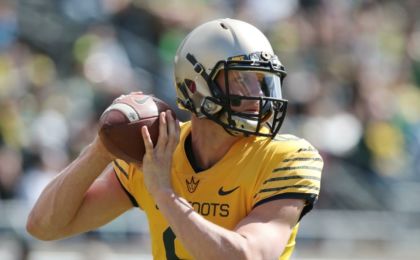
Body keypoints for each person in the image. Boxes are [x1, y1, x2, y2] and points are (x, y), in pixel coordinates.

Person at [26, 18, 323, 260]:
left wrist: (164, 194)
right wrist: (101, 149)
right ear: (196, 85)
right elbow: (44, 226)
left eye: (261, 81)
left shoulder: (287, 156)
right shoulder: (158, 148)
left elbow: (248, 256)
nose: (257, 95)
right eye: (240, 78)